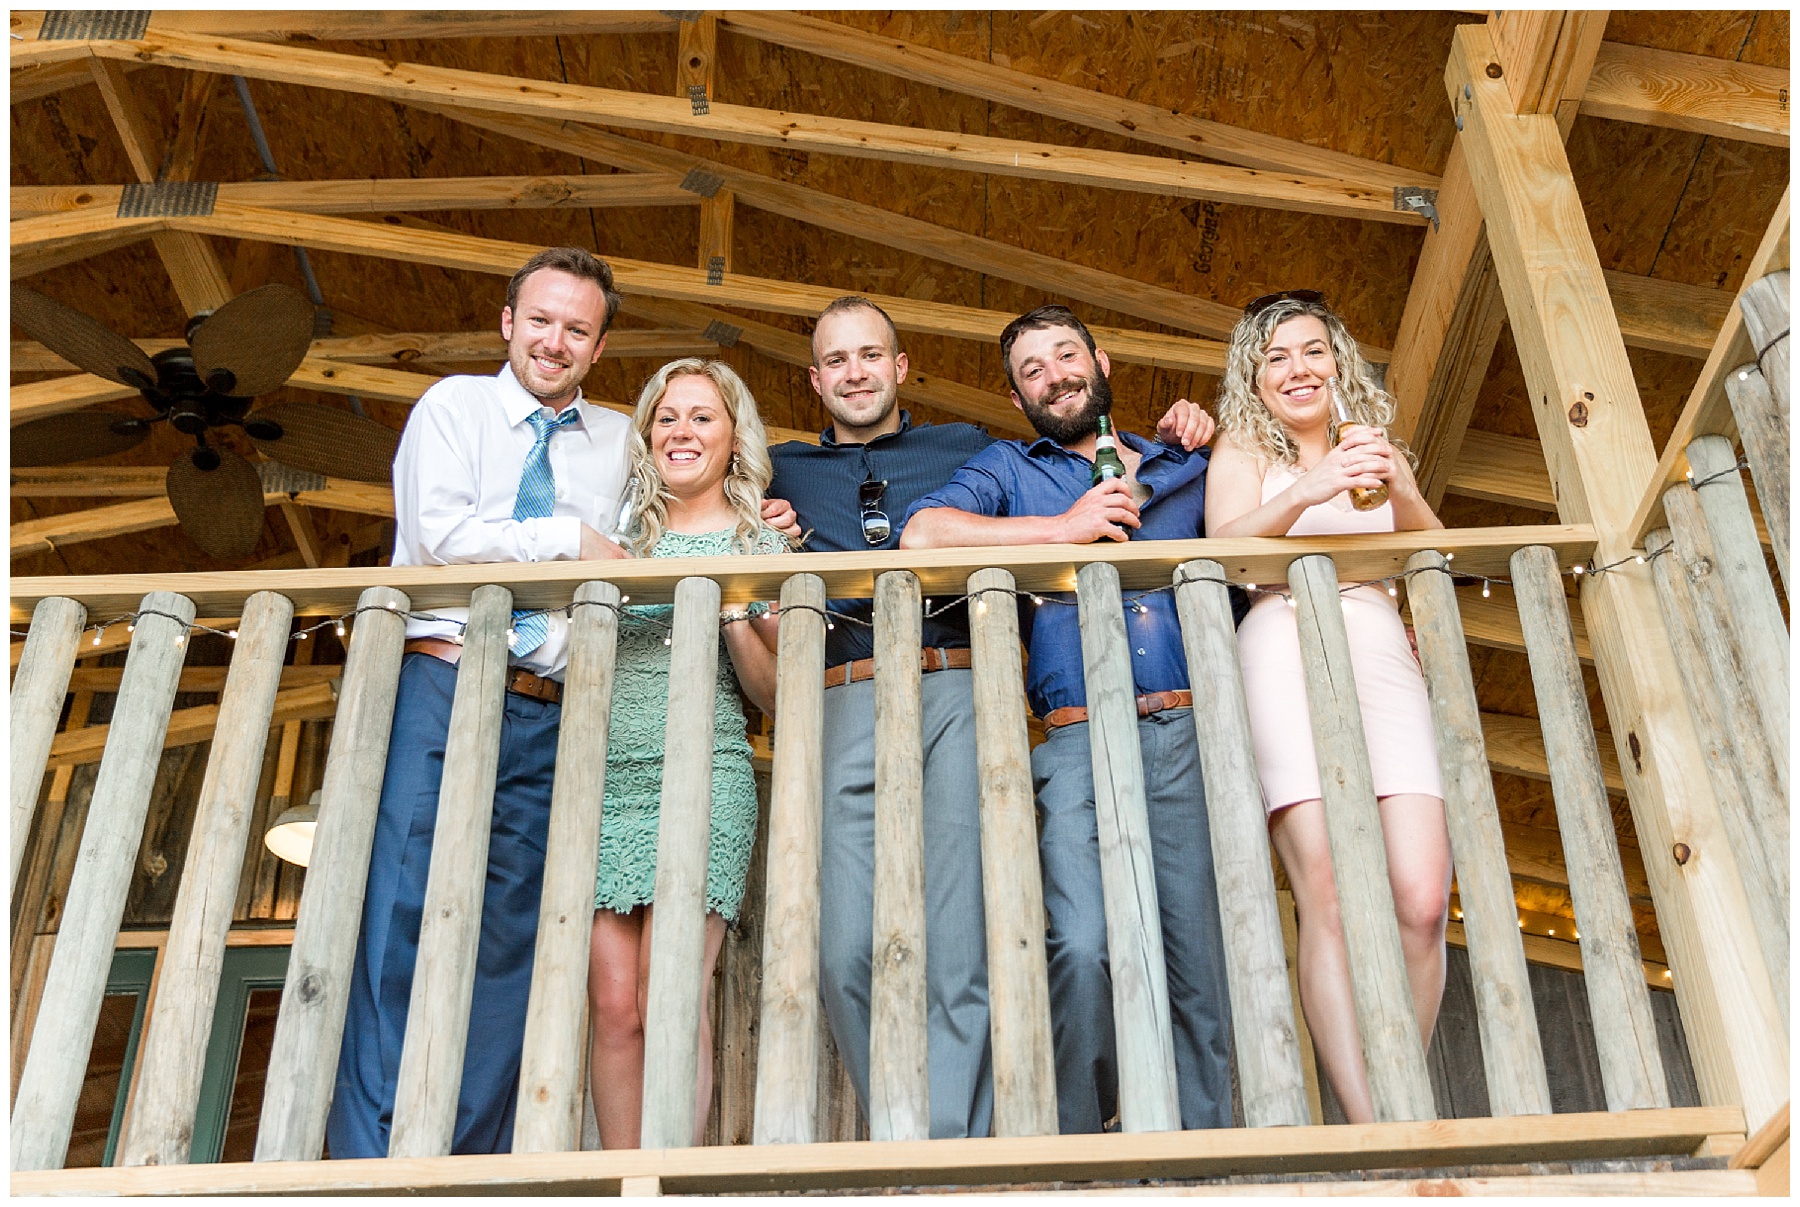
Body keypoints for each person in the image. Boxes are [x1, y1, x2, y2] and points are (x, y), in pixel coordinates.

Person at [328, 247, 794, 1158]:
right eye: (539, 320)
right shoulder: (454, 408)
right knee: (403, 918)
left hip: (558, 713)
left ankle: (467, 1158)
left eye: (576, 329)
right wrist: (565, 536)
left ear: (599, 343)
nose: (554, 341)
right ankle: (370, 1157)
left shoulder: (622, 440)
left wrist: (763, 520)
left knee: (510, 942)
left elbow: (686, 483)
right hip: (449, 682)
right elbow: (436, 535)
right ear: (508, 322)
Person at [768, 296, 1214, 1139]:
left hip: (961, 684)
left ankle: (961, 1152)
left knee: (966, 946)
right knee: (842, 953)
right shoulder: (780, 469)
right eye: (836, 360)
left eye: (873, 355)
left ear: (902, 368)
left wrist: (1200, 430)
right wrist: (755, 525)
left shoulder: (969, 448)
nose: (855, 371)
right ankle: (910, 1135)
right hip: (840, 692)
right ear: (816, 378)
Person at [901, 304, 1231, 1135]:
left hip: (1190, 729)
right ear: (1018, 399)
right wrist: (1064, 530)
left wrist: (1221, 434)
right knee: (1082, 945)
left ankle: (1202, 1160)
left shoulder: (1186, 458)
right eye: (1033, 371)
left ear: (1102, 359)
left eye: (1065, 356)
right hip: (1075, 736)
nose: (1055, 376)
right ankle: (1086, 1149)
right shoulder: (1009, 467)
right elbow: (922, 533)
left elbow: (1258, 504)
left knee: (1198, 960)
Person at [1203, 290, 1448, 1125]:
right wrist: (1313, 486)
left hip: (1380, 643)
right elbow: (1229, 554)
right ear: (1255, 379)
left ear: (1337, 362)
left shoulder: (1372, 444)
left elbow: (1430, 549)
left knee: (1419, 896)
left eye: (1311, 351)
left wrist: (1395, 480)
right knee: (1332, 891)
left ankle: (1399, 1095)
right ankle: (1374, 1128)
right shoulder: (1242, 445)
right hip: (1280, 643)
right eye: (1275, 357)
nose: (1297, 368)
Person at [587, 358, 786, 1149]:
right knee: (613, 1003)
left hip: (704, 775)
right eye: (667, 417)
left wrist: (732, 608)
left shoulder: (763, 539)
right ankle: (622, 1179)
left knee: (672, 992)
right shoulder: (619, 536)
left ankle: (668, 1173)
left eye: (703, 416)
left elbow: (776, 695)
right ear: (647, 435)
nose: (682, 431)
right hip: (603, 780)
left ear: (734, 438)